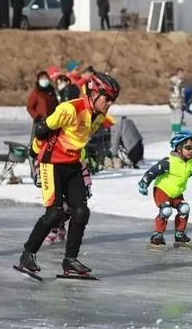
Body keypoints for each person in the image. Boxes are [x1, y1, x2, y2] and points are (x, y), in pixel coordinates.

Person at [16, 72, 120, 278]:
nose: (109, 103)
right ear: (94, 93)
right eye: (106, 98)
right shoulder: (70, 109)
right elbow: (42, 128)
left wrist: (84, 170)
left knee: (81, 211)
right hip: (51, 163)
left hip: (72, 165)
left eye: (112, 100)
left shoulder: (99, 117)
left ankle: (70, 260)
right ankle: (28, 254)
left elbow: (80, 141)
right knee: (54, 214)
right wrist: (36, 154)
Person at [138, 131, 192, 250]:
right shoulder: (168, 162)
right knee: (166, 210)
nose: (191, 150)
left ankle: (179, 234)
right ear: (178, 148)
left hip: (176, 192)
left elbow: (187, 175)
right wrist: (144, 183)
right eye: (188, 147)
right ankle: (157, 235)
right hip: (162, 190)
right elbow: (153, 171)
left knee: (184, 209)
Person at [169, 68, 185, 133]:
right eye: (182, 73)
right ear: (178, 73)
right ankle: (175, 132)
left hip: (178, 102)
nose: (183, 75)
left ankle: (176, 132)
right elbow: (173, 93)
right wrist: (171, 102)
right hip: (176, 102)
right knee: (176, 118)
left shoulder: (179, 82)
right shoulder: (176, 82)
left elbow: (182, 93)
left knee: (177, 118)